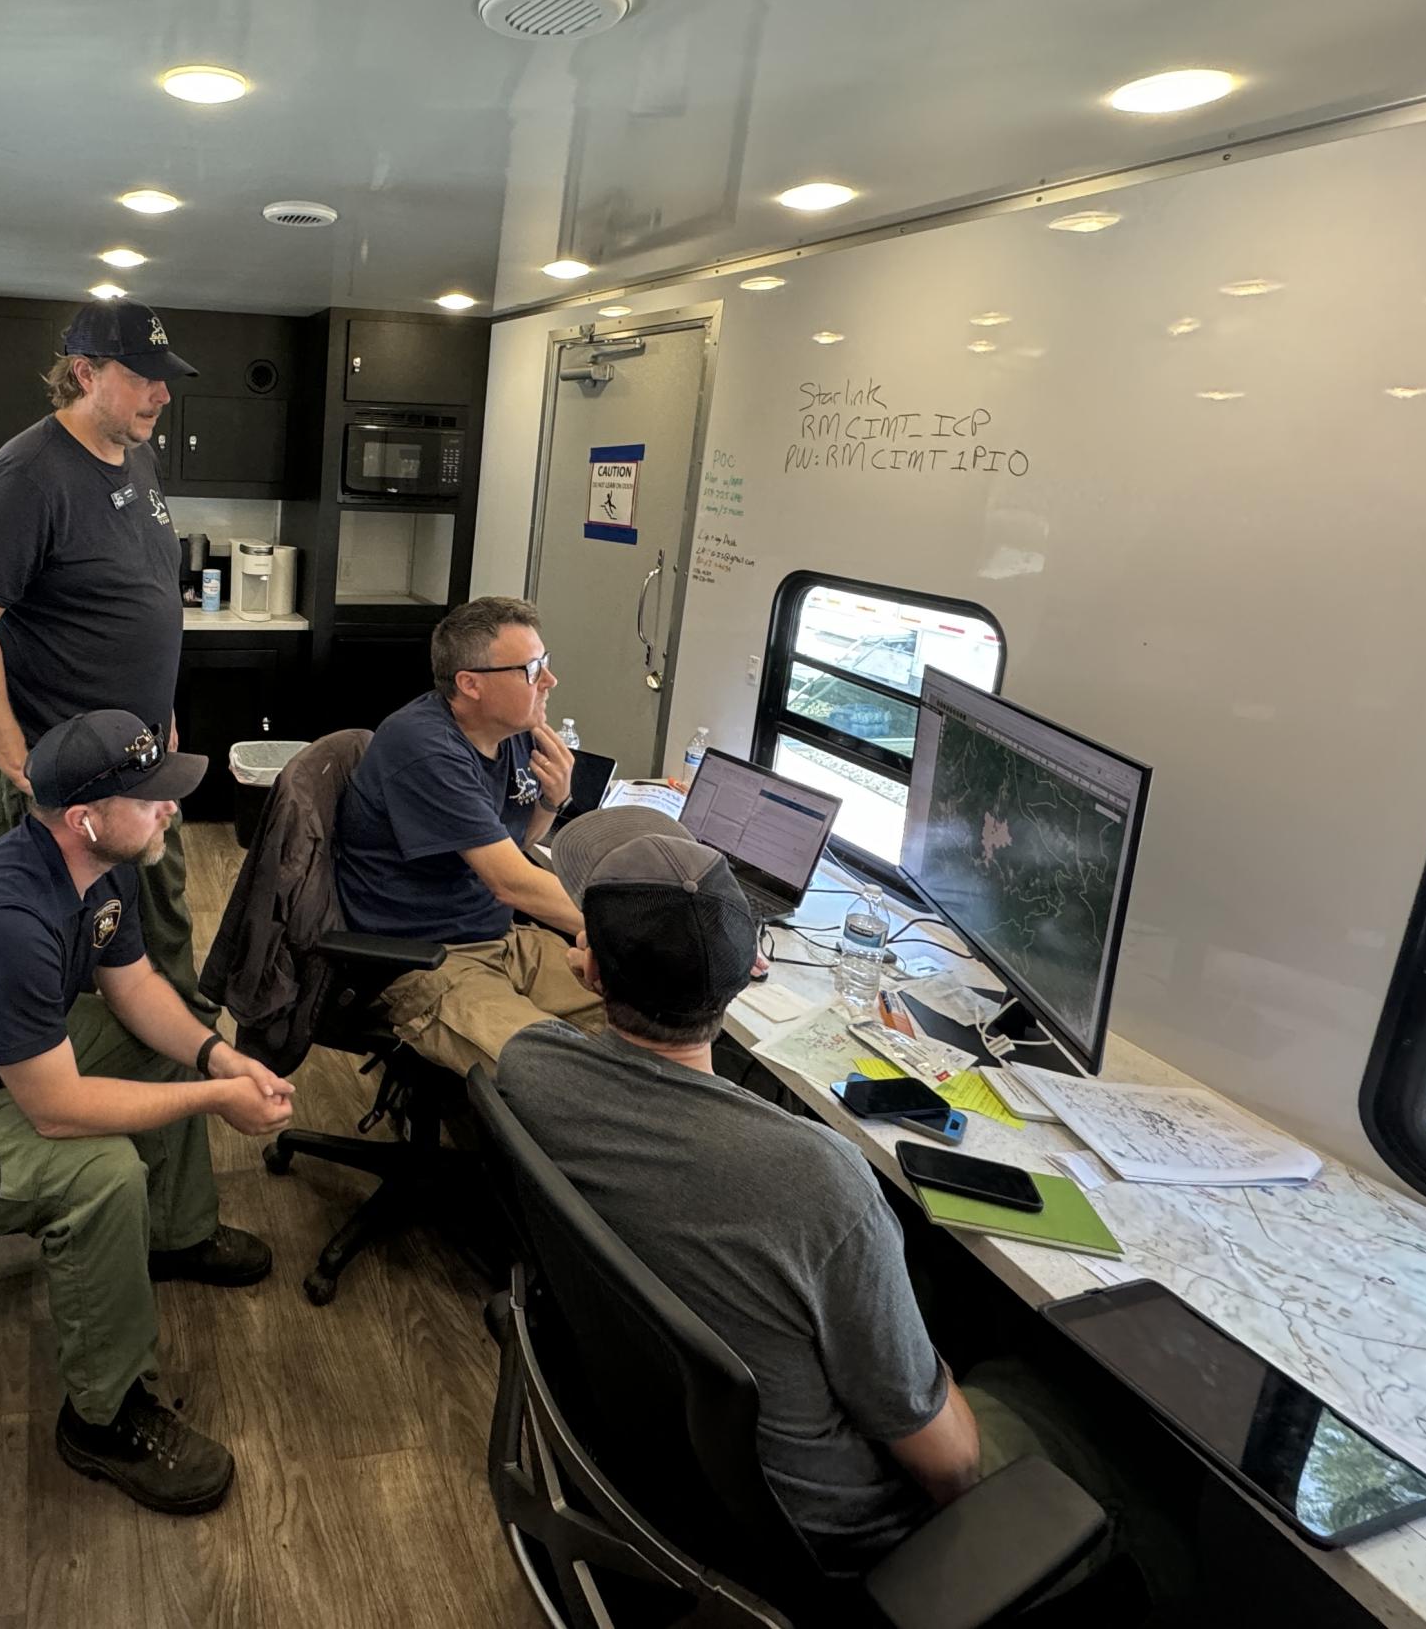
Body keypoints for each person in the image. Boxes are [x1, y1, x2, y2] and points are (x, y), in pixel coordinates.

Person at [497, 808, 1186, 1602]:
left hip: (650, 1456)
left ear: (587, 966)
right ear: (754, 966)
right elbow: (954, 1467)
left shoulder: (530, 1069)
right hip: (833, 1535)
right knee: (1116, 1440)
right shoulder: (823, 1184)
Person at [0, 709, 291, 1514]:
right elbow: (62, 1111)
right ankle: (103, 1419)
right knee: (99, 1171)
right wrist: (218, 1101)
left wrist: (218, 1057)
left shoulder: (102, 865)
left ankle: (172, 1234)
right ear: (84, 817)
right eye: (152, 799)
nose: (170, 811)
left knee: (167, 1043)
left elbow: (134, 987)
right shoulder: (8, 921)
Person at [0, 299, 206, 1011]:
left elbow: (139, 594)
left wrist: (162, 705)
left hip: (141, 764)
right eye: (144, 376)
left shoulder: (137, 457)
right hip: (64, 778)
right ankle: (54, 1095)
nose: (163, 393)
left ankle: (177, 1064)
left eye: (166, 376)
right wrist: (16, 762)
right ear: (84, 374)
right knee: (46, 954)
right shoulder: (30, 474)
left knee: (159, 923)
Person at [332, 594, 595, 1072]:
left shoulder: (511, 731)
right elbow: (511, 882)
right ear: (470, 684)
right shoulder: (425, 746)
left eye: (546, 663)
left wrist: (552, 800)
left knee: (646, 1010)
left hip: (499, 939)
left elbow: (517, 846)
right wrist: (629, 930)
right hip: (426, 960)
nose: (550, 682)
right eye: (532, 669)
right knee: (554, 1070)